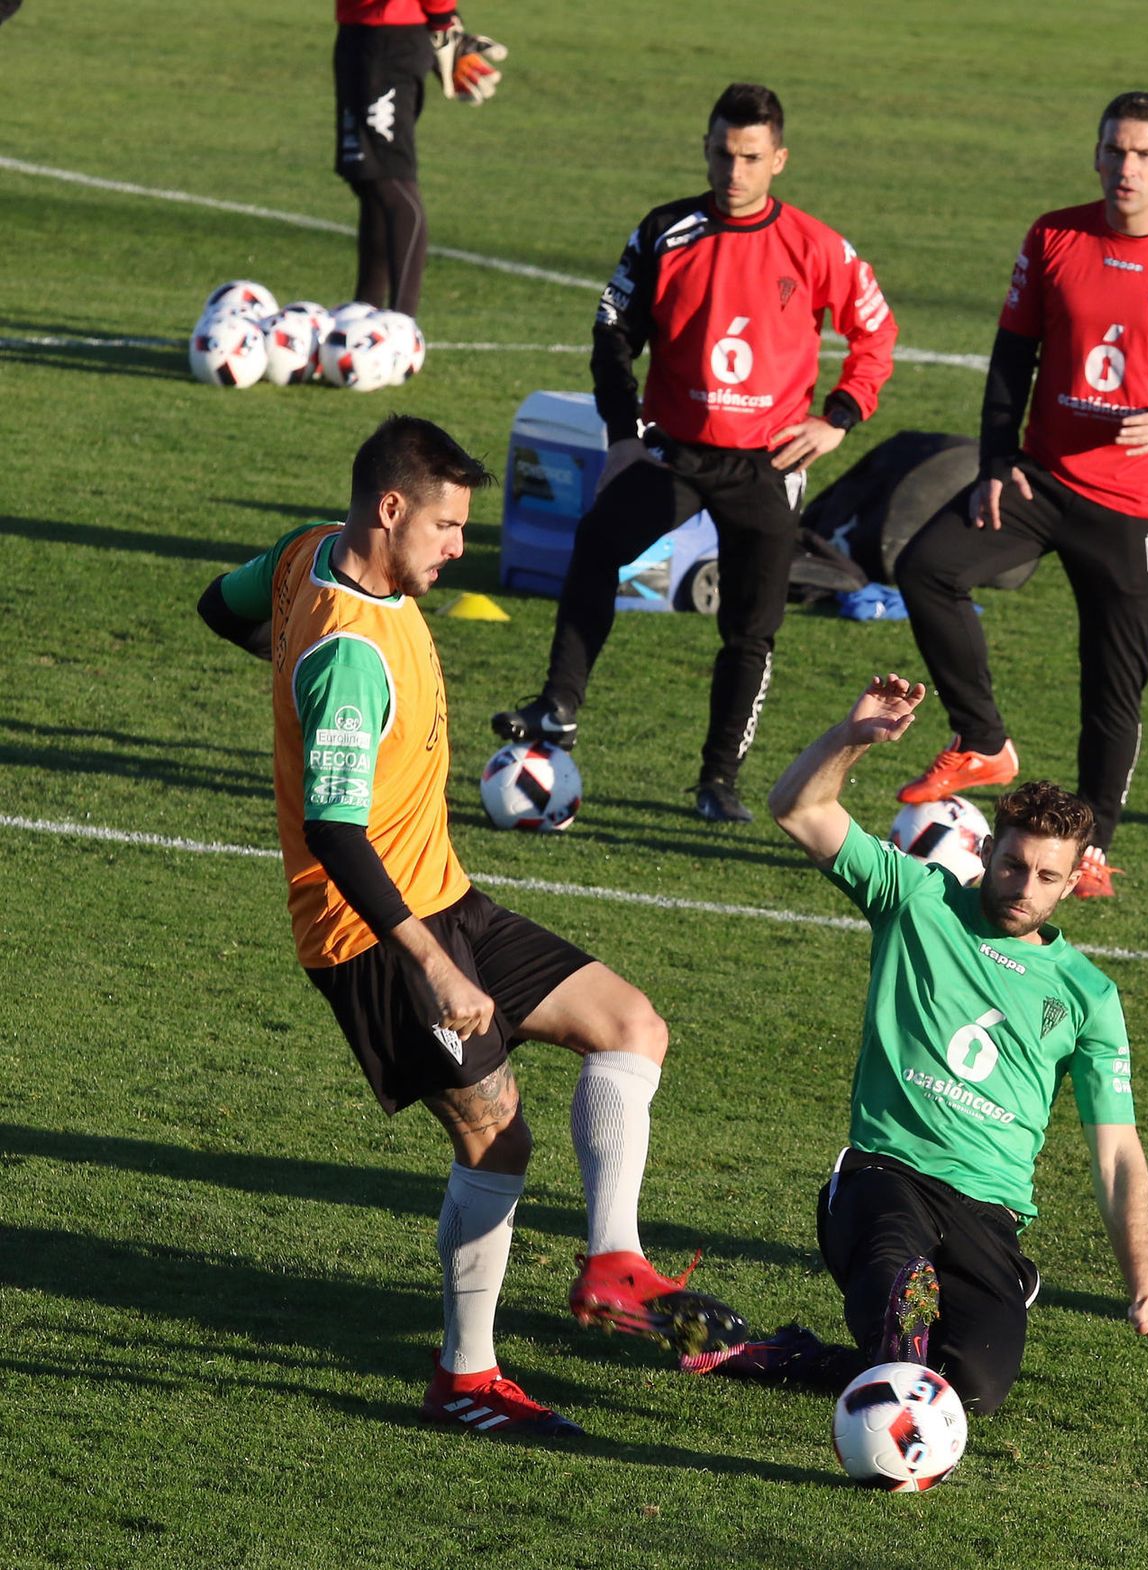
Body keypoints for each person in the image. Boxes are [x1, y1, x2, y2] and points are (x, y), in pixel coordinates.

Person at [196, 415, 743, 1440]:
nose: (459, 546)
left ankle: (613, 1263)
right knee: (497, 1140)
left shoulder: (302, 552)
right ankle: (467, 1379)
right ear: (391, 509)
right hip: (377, 935)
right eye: (448, 526)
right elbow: (335, 830)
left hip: (445, 893)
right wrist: (434, 969)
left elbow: (216, 606)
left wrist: (282, 671)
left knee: (631, 1025)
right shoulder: (349, 656)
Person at [682, 674, 1148, 1413]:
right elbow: (798, 808)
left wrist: (1144, 1293)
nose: (1023, 886)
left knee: (968, 1393)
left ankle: (788, 1356)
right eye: (1014, 863)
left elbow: (1118, 1155)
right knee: (899, 1294)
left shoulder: (1089, 996)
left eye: (1047, 876)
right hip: (885, 1177)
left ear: (1075, 880)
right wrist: (850, 739)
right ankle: (894, 1341)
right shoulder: (917, 899)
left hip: (989, 1213)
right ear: (989, 848)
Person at [491, 82, 898, 825]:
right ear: (705, 149)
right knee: (596, 544)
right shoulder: (665, 231)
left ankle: (718, 782)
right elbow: (612, 332)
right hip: (673, 454)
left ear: (778, 159)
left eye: (749, 157)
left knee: (750, 628)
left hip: (767, 468)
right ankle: (558, 707)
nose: (732, 172)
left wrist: (839, 416)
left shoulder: (815, 245)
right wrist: (621, 435)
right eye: (720, 153)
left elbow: (875, 330)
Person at [894, 91, 1148, 897]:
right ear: (1097, 155)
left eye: (1142, 154)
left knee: (1111, 686)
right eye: (1114, 151)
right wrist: (997, 458)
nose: (1126, 167)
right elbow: (1011, 354)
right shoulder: (1054, 235)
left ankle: (1088, 853)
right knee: (927, 567)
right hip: (1042, 480)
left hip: (1138, 508)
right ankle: (983, 739)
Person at [333, 3, 506, 317]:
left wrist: (442, 20)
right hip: (357, 30)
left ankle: (402, 325)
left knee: (390, 183)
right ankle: (362, 316)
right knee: (368, 179)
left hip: (389, 37)